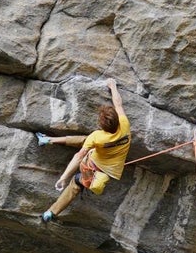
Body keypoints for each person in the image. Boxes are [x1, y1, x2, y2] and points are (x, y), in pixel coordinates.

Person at [38, 79, 131, 222]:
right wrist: (113, 86)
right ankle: (50, 213)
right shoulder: (125, 125)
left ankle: (47, 140)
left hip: (92, 165)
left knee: (76, 181)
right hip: (111, 170)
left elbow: (78, 157)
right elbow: (118, 103)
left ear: (102, 126)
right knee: (87, 142)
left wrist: (63, 178)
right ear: (118, 121)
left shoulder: (97, 137)